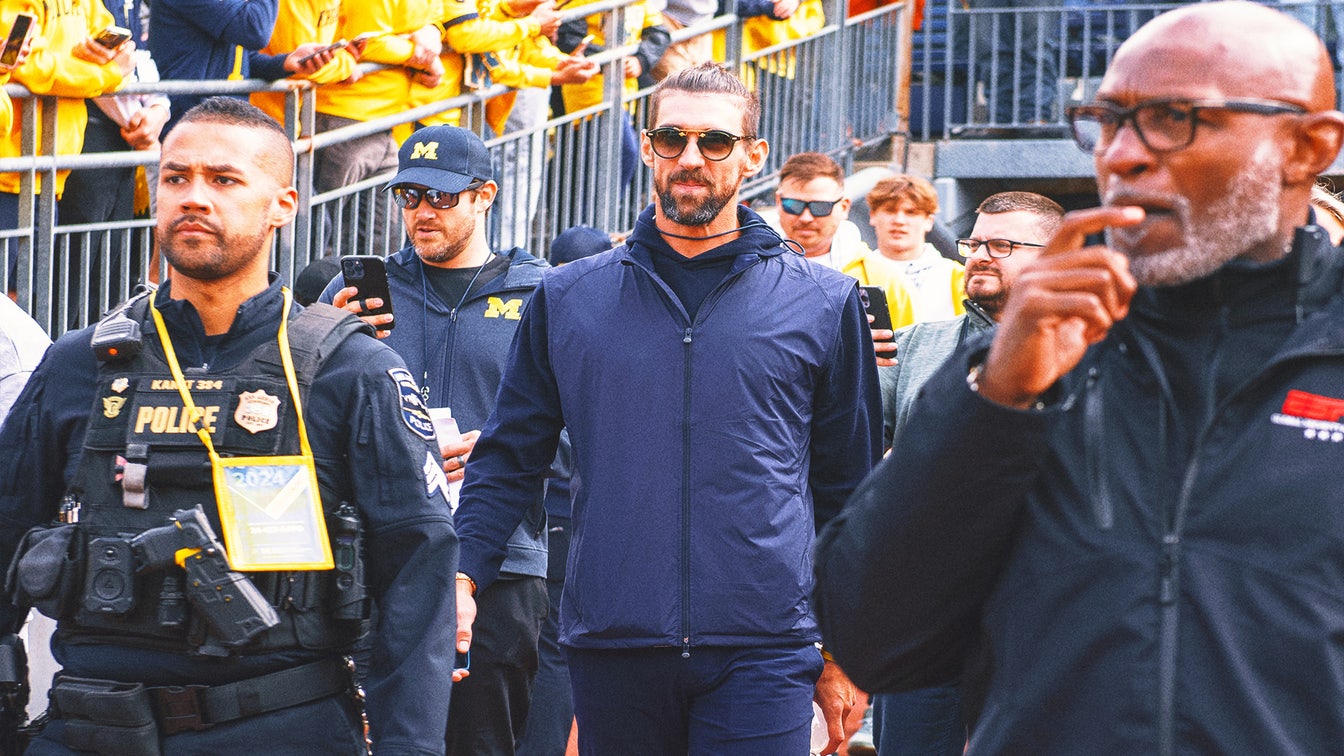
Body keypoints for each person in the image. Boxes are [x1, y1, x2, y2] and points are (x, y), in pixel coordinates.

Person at [814, 3, 1344, 752]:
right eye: (1107, 120)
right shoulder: (1024, 359)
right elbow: (874, 638)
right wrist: (994, 401)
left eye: (1172, 118)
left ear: (1307, 146)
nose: (1119, 157)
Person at [0, 97, 458, 754]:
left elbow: (418, 576)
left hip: (281, 729)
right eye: (176, 177)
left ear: (283, 204)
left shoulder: (352, 371)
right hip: (92, 728)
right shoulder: (78, 366)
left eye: (224, 180)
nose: (192, 197)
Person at [453, 62, 880, 755]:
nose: (691, 158)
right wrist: (463, 574)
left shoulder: (824, 301)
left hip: (765, 643)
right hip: (615, 638)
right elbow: (509, 457)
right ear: (647, 146)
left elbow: (849, 493)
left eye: (714, 142)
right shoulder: (569, 297)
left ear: (752, 155)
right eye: (671, 137)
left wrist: (844, 650)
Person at [320, 124, 555, 756]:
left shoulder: (542, 291)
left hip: (500, 562)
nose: (422, 212)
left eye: (441, 197)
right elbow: (306, 418)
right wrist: (328, 340)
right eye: (409, 196)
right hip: (378, 558)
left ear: (485, 196)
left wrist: (503, 451)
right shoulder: (359, 296)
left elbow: (579, 429)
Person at [867, 190, 1061, 756]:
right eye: (975, 242)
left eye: (1003, 245)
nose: (979, 254)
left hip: (1045, 622)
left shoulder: (1096, 354)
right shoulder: (913, 348)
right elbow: (833, 435)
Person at [774, 151, 916, 364]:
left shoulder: (881, 277)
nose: (805, 217)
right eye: (793, 205)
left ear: (844, 207)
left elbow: (905, 361)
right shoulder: (751, 266)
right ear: (778, 201)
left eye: (819, 207)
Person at [147, 0, 279, 131]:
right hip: (191, 123)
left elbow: (242, 61)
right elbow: (255, 30)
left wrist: (283, 64)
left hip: (221, 120)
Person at [866, 174, 965, 323]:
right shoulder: (853, 272)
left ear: (929, 221)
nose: (899, 221)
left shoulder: (957, 277)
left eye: (911, 212)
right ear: (873, 216)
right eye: (890, 211)